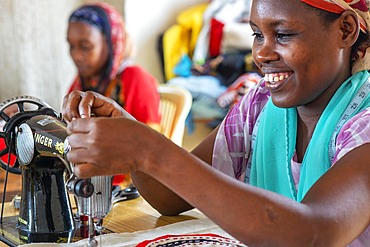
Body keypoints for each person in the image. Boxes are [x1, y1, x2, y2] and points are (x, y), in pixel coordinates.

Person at [62, 0, 370, 246]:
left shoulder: (363, 123)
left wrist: (149, 150)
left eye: (284, 34)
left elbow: (314, 234)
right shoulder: (259, 106)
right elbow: (168, 196)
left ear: (345, 30)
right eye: (257, 34)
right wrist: (128, 133)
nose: (261, 53)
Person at [66, 2, 161, 185]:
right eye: (71, 46)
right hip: (91, 185)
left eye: (85, 46)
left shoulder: (135, 80)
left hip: (131, 191)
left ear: (110, 43)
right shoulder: (82, 83)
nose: (76, 56)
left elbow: (151, 152)